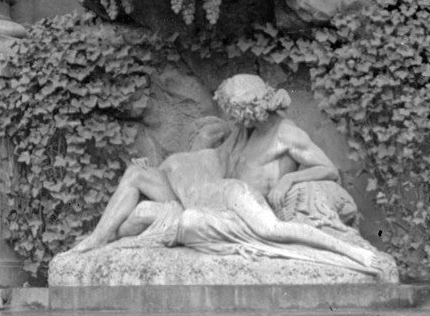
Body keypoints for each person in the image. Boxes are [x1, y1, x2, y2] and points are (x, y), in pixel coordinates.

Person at [55, 74, 397, 280]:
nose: (235, 120)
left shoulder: (286, 134)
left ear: (253, 108)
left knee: (150, 212)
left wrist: (288, 180)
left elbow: (329, 169)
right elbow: (213, 163)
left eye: (237, 113)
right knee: (136, 175)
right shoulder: (243, 132)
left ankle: (353, 255)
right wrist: (173, 164)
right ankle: (97, 240)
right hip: (208, 199)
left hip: (239, 209)